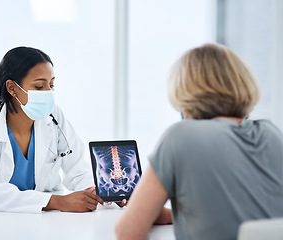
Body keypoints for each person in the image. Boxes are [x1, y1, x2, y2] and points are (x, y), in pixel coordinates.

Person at [115, 43, 283, 240]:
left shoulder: (181, 137)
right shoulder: (271, 134)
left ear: (184, 92)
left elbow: (128, 232)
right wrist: (175, 217)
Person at [0, 46, 103, 213]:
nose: (48, 92)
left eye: (51, 84)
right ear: (12, 88)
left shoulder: (53, 117)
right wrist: (56, 202)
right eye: (40, 87)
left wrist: (105, 194)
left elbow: (78, 172)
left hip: (43, 223)